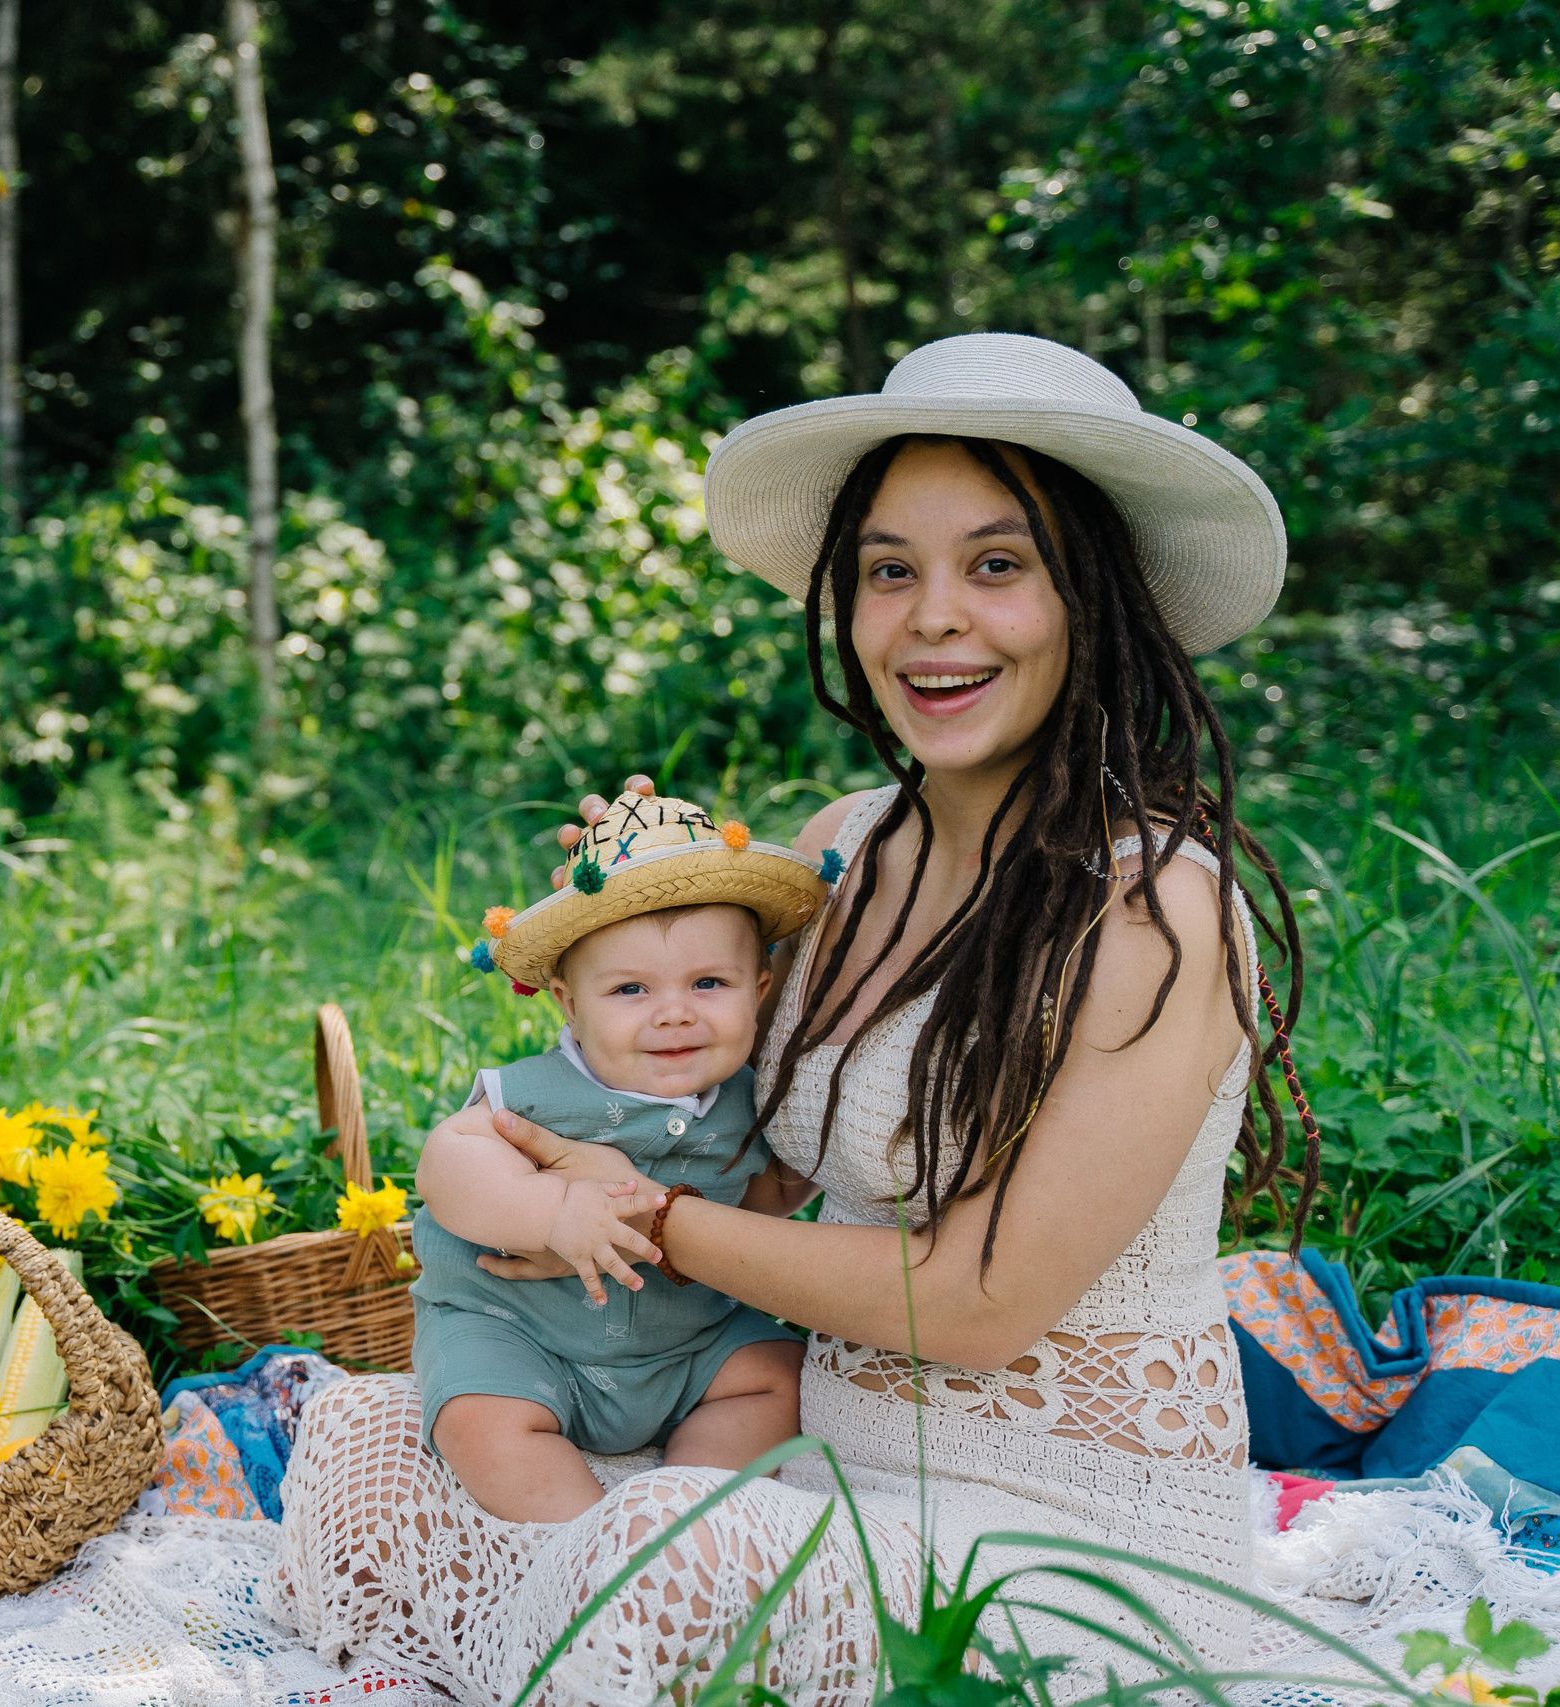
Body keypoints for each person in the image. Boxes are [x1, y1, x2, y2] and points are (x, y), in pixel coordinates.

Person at [266, 333, 1317, 1705]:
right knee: (374, 1444)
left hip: (1054, 1518)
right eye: (892, 569)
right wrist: (604, 926)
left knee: (655, 1557)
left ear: (1094, 604)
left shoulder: (1149, 905)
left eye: (996, 566)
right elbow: (702, 1085)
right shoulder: (842, 848)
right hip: (794, 1426)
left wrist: (628, 1211)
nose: (933, 616)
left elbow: (980, 1301)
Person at [411, 793, 828, 1521]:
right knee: (479, 1418)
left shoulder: (750, 1098)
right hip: (524, 1337)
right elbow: (447, 1161)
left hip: (687, 1341)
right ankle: (581, 1541)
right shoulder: (537, 1094)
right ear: (569, 1004)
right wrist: (552, 1208)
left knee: (781, 1374)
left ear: (759, 991)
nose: (673, 1011)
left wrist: (796, 1177)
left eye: (708, 983)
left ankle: (686, 1506)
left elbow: (755, 1202)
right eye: (630, 989)